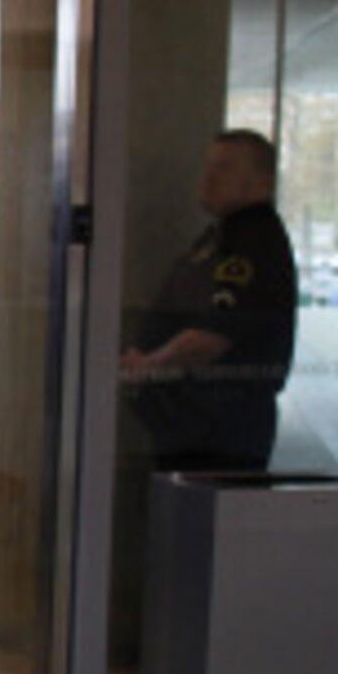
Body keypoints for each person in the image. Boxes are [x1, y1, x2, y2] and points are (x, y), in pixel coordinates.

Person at [121, 129, 298, 472]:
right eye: (208, 166)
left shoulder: (254, 240)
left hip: (220, 426)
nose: (208, 178)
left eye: (224, 168)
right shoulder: (225, 234)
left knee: (206, 523)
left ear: (260, 181)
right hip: (195, 424)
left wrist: (150, 366)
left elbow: (217, 333)